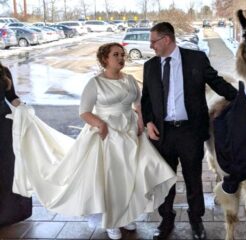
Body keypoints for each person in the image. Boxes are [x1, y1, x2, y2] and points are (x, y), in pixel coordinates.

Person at [10, 43, 177, 240]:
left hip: (131, 133)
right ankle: (111, 221)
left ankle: (125, 216)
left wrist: (140, 122)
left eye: (122, 54)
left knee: (132, 176)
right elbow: (84, 112)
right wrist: (100, 124)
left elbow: (138, 104)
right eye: (116, 55)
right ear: (105, 59)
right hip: (107, 136)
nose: (121, 58)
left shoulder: (130, 80)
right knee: (112, 180)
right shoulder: (95, 83)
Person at [141, 22, 237, 240]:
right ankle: (166, 220)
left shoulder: (196, 59)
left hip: (190, 132)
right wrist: (148, 122)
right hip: (163, 134)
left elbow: (217, 82)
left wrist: (241, 98)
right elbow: (146, 99)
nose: (151, 46)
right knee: (165, 180)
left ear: (166, 40)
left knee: (193, 179)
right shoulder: (150, 66)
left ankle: (196, 220)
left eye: (153, 41)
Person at [0, 63, 32, 226]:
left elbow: (11, 96)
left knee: (7, 168)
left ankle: (7, 213)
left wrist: (23, 107)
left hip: (3, 125)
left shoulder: (3, 70)